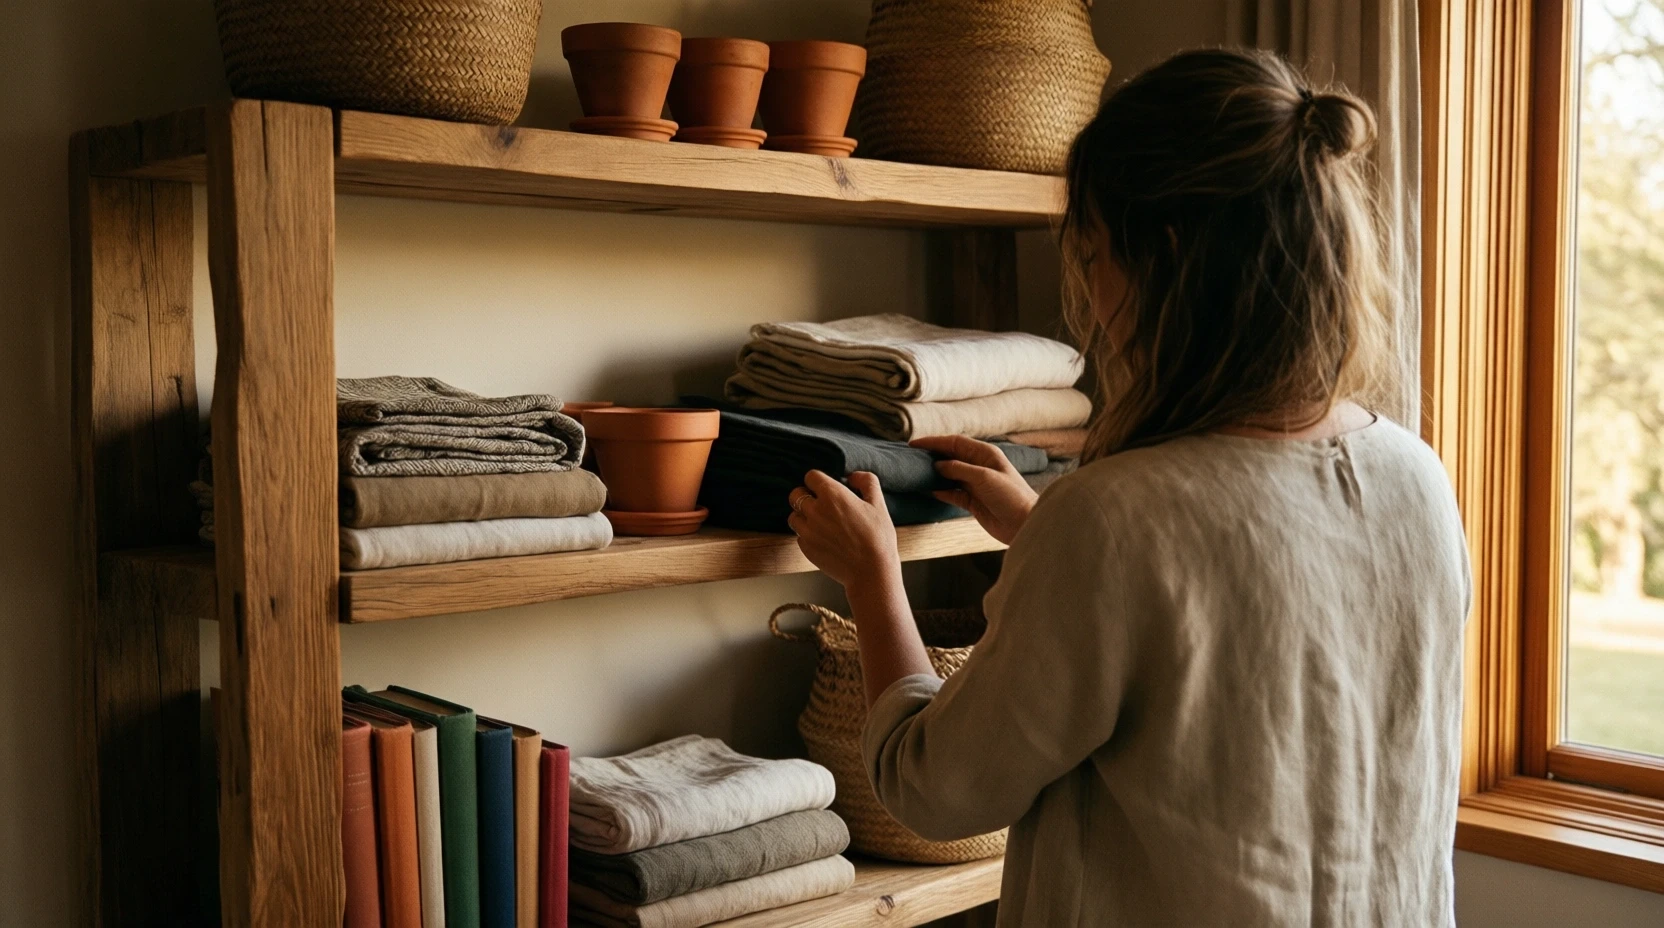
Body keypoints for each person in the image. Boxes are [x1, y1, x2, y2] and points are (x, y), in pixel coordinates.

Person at [785, 48, 1470, 926]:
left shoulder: (1113, 518)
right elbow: (1250, 641)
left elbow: (937, 788)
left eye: (1099, 253)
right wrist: (1041, 532)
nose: (1094, 293)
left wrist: (872, 578)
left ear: (1169, 257)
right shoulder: (1416, 475)